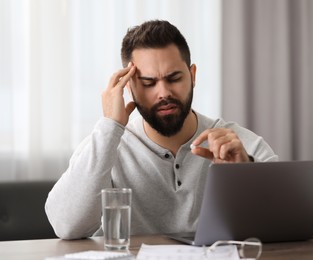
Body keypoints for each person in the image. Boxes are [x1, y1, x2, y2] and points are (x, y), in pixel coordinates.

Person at [45, 20, 278, 240]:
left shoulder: (241, 144)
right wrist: (109, 126)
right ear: (129, 88)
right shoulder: (107, 143)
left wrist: (245, 175)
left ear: (192, 75)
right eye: (148, 83)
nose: (163, 93)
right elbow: (66, 226)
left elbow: (284, 224)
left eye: (174, 78)